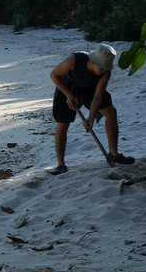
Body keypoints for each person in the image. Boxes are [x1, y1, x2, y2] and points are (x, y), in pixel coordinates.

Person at [49, 43, 134, 175]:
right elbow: (54, 75)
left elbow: (98, 96)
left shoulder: (105, 72)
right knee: (62, 124)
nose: (104, 71)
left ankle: (114, 153)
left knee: (111, 112)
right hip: (67, 87)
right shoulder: (74, 60)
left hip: (90, 89)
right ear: (92, 61)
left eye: (106, 68)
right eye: (102, 68)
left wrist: (91, 118)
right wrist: (68, 94)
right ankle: (61, 165)